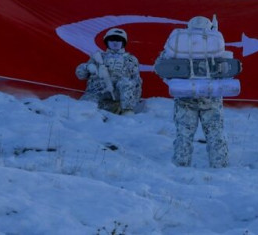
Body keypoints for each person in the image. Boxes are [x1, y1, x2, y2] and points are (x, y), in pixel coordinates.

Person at [159, 16, 232, 168]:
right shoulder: (216, 46)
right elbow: (228, 71)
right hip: (211, 98)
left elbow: (161, 68)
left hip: (184, 97)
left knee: (183, 135)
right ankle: (220, 167)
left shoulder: (179, 44)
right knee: (216, 134)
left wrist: (175, 82)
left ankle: (180, 165)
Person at [74, 28, 142, 114]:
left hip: (118, 95)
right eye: (112, 40)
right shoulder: (98, 57)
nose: (115, 43)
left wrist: (133, 101)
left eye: (118, 40)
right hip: (98, 92)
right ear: (107, 42)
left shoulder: (130, 59)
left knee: (126, 82)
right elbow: (80, 75)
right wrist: (87, 67)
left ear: (123, 43)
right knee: (83, 111)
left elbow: (136, 81)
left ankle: (127, 112)